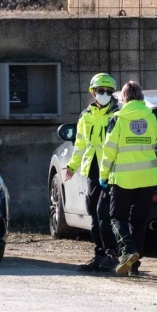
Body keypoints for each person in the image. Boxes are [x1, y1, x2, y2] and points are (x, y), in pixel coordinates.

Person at [101, 81, 157, 276]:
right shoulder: (152, 117)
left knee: (117, 217)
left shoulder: (117, 119)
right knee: (139, 221)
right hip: (147, 178)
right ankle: (133, 266)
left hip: (123, 179)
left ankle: (128, 251)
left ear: (124, 97)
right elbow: (156, 139)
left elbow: (108, 150)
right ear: (141, 97)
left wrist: (103, 175)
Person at [65, 73, 121, 273]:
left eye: (108, 91)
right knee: (93, 214)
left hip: (111, 171)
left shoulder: (117, 114)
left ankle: (112, 254)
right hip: (92, 170)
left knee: (104, 214)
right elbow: (80, 144)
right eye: (100, 91)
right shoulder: (86, 115)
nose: (105, 94)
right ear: (92, 92)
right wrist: (71, 167)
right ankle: (100, 254)